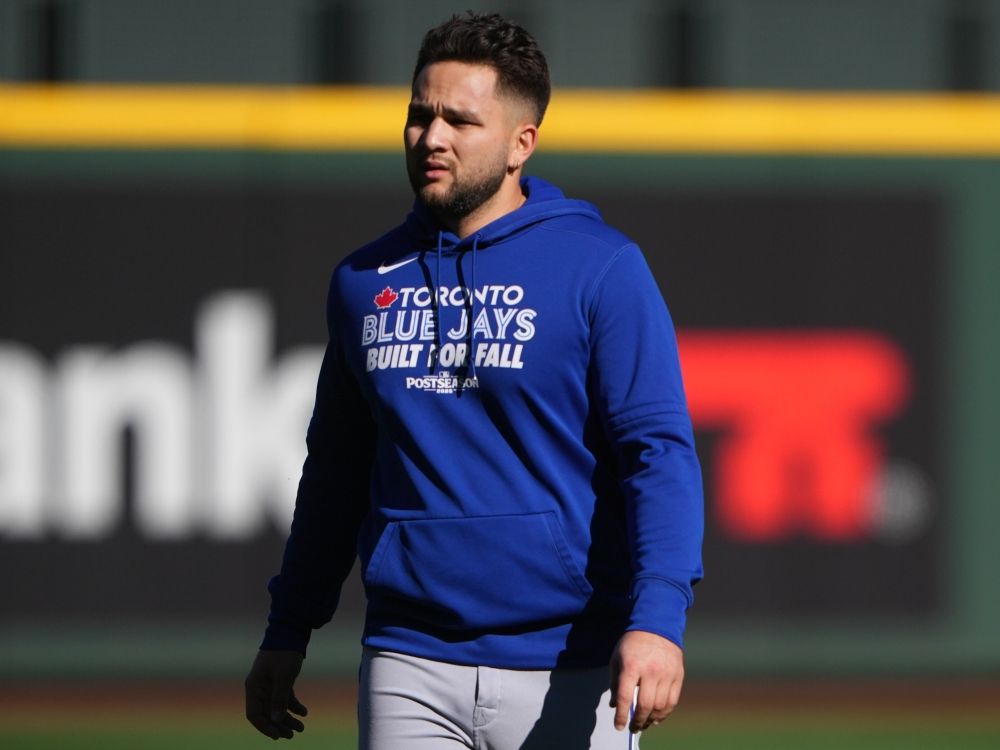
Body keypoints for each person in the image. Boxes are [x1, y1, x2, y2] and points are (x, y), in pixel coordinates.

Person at [245, 11, 703, 749]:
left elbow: (658, 456)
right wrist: (287, 628)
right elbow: (334, 473)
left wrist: (656, 621)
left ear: (522, 142)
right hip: (408, 658)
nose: (432, 138)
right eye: (419, 115)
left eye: (461, 120)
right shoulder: (363, 281)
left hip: (571, 663)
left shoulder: (602, 267)